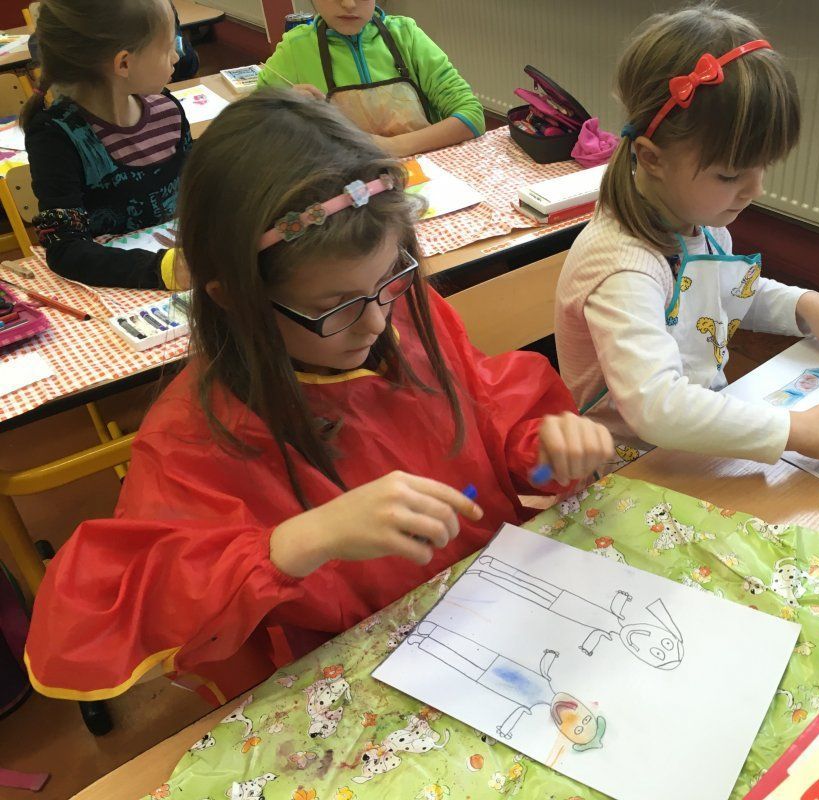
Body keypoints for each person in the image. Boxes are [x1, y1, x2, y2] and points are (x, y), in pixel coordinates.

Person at [25, 91, 613, 704]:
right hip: (367, 676)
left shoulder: (403, 315)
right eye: (334, 307)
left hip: (502, 614)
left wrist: (543, 448)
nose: (376, 323)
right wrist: (297, 543)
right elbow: (89, 624)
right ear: (235, 298)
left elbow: (490, 424)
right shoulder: (194, 437)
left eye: (390, 278)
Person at [555, 2, 819, 472]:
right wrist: (795, 431)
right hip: (629, 472)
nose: (757, 190)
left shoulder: (699, 220)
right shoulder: (623, 267)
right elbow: (658, 407)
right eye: (731, 174)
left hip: (696, 447)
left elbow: (721, 295)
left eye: (763, 167)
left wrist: (804, 305)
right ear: (652, 158)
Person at [22, 0, 191, 289]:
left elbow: (196, 194)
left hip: (181, 275)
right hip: (119, 290)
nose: (176, 56)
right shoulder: (56, 135)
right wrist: (162, 269)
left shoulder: (168, 111)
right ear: (124, 63)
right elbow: (65, 249)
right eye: (166, 48)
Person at [258, 0, 483, 156]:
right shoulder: (294, 50)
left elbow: (471, 116)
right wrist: (285, 111)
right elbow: (255, 128)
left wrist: (393, 146)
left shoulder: (407, 36)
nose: (349, 4)